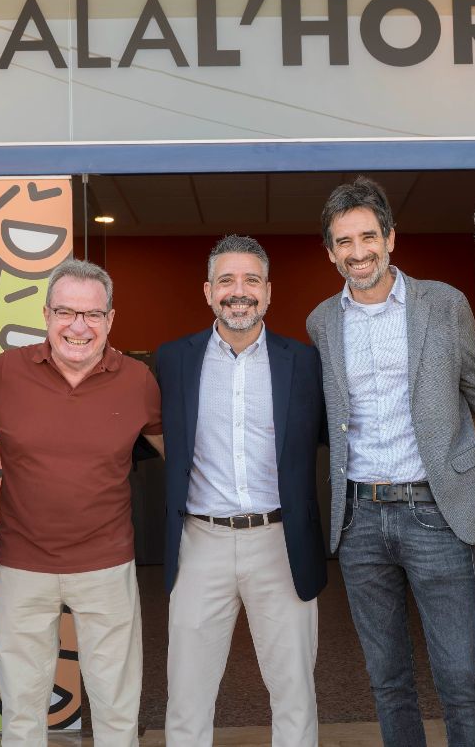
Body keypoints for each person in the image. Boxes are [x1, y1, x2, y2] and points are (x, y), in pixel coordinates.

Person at [306, 178, 475, 747]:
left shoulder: (442, 303)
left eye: (369, 235)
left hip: (436, 511)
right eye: (344, 241)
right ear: (331, 251)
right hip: (361, 516)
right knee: (387, 681)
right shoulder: (323, 321)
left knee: (460, 677)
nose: (358, 250)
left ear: (390, 238)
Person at [0, 258, 164, 747]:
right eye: (66, 312)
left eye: (93, 314)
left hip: (107, 565)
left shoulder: (138, 381)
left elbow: (179, 456)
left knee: (117, 708)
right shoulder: (4, 374)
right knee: (21, 709)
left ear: (110, 319)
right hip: (22, 565)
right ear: (46, 314)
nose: (79, 326)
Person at [156, 234, 327, 746]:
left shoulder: (305, 363)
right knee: (186, 694)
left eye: (251, 280)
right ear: (208, 291)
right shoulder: (172, 360)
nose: (239, 291)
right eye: (226, 280)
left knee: (295, 692)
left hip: (281, 541)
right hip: (199, 542)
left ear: (269, 292)